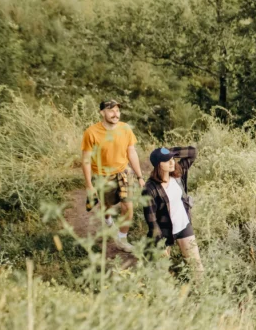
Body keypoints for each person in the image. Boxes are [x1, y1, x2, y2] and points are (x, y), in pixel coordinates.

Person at [81, 99, 144, 252]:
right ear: (102, 113)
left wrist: (140, 176)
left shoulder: (125, 128)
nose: (115, 114)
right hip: (103, 176)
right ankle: (108, 219)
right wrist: (89, 185)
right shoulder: (91, 132)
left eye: (117, 110)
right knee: (107, 205)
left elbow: (131, 152)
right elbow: (86, 160)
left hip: (124, 172)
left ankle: (122, 239)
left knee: (128, 206)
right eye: (111, 110)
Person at [142, 146, 204, 279]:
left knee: (196, 266)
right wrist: (160, 243)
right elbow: (151, 220)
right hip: (164, 232)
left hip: (183, 225)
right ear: (158, 165)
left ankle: (202, 295)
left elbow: (192, 152)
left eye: (173, 159)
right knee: (162, 272)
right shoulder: (150, 188)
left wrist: (168, 151)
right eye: (166, 160)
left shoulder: (177, 174)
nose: (172, 162)